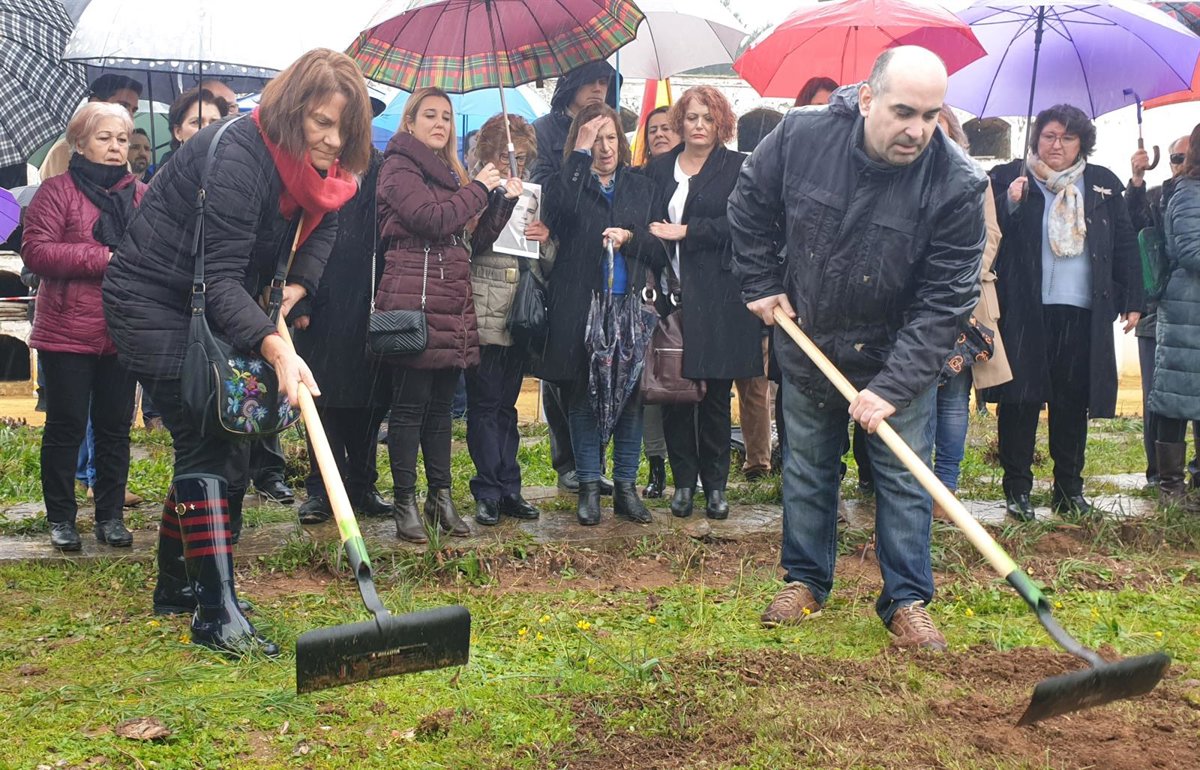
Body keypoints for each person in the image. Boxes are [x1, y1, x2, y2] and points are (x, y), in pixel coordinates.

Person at [103, 48, 373, 655]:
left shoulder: (317, 173)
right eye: (322, 123)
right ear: (292, 110)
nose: (333, 140)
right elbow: (223, 278)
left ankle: (181, 585)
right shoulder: (239, 156)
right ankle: (215, 612)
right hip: (151, 299)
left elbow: (325, 225)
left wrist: (293, 289)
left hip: (207, 301)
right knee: (211, 439)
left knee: (220, 437)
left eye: (344, 128)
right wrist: (276, 348)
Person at [730, 47, 987, 650]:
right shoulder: (802, 136)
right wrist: (761, 282)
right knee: (808, 467)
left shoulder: (957, 184)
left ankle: (907, 599)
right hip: (810, 338)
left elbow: (946, 300)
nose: (917, 130)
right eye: (904, 112)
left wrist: (892, 388)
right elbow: (749, 203)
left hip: (900, 352)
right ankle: (805, 580)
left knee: (903, 477)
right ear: (868, 99)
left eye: (931, 115)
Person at [984, 105, 1142, 521]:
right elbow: (984, 230)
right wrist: (1009, 201)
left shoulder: (1102, 184)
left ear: (1081, 144)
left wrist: (1133, 299)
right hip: (1025, 311)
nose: (1057, 145)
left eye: (1068, 138)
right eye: (1049, 136)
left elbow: (1124, 243)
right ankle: (1017, 490)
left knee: (1072, 403)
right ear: (1036, 139)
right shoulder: (1010, 177)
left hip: (1081, 313)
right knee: (1020, 401)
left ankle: (1069, 490)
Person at [376, 87, 517, 543]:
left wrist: (502, 202)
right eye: (430, 115)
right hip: (414, 299)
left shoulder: (450, 172)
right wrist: (479, 188)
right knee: (409, 408)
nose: (440, 123)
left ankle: (440, 498)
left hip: (450, 297)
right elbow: (433, 220)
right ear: (410, 122)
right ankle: (405, 501)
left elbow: (470, 240)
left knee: (440, 409)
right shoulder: (399, 167)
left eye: (446, 117)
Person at [24, 102, 147, 551]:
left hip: (122, 330)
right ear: (79, 142)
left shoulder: (141, 195)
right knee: (66, 427)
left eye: (122, 139)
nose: (116, 147)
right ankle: (61, 518)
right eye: (104, 138)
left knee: (115, 428)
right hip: (66, 332)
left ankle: (110, 516)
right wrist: (104, 258)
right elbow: (36, 252)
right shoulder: (56, 192)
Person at [537, 103, 662, 526]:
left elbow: (661, 248)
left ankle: (626, 487)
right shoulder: (568, 181)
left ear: (621, 142)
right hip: (581, 307)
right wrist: (578, 155)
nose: (604, 147)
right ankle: (589, 486)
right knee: (582, 396)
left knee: (630, 399)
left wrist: (631, 238)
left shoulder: (641, 186)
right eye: (594, 139)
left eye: (611, 137)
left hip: (630, 307)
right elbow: (556, 211)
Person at [644, 86, 759, 519]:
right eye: (691, 117)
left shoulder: (737, 166)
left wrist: (689, 231)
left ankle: (715, 487)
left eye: (707, 118)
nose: (698, 126)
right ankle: (683, 484)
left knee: (714, 396)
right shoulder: (659, 168)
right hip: (671, 296)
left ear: (721, 124)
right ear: (680, 121)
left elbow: (744, 223)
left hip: (720, 296)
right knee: (674, 392)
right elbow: (643, 218)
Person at [531, 60, 619, 494]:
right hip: (558, 260)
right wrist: (580, 153)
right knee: (561, 367)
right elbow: (549, 195)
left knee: (599, 366)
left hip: (601, 263)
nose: (599, 88)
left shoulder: (609, 123)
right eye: (591, 81)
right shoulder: (544, 130)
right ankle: (566, 459)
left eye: (605, 81)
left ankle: (591, 461)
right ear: (571, 83)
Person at [292, 145, 392, 524]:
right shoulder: (315, 166)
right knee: (322, 400)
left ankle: (363, 484)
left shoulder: (384, 169)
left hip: (372, 300)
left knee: (370, 401)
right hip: (321, 301)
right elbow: (295, 235)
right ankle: (321, 490)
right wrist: (299, 301)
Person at [466, 114, 554, 526]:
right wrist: (498, 200)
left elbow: (547, 261)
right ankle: (487, 489)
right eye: (504, 155)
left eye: (519, 156)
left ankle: (510, 487)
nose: (512, 163)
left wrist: (545, 239)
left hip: (522, 310)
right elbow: (470, 243)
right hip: (485, 305)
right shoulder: (476, 189)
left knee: (507, 405)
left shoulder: (534, 193)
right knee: (485, 404)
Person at [927, 106, 1010, 518]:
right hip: (915, 305)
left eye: (941, 130)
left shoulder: (975, 178)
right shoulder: (902, 174)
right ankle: (914, 484)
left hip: (964, 301)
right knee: (916, 396)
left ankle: (946, 487)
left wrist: (961, 277)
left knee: (953, 398)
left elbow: (990, 233)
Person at [1127, 134, 1198, 489]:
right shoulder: (1166, 194)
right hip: (1165, 310)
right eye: (1175, 157)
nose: (1179, 163)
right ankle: (1162, 476)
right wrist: (1137, 180)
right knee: (1164, 399)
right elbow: (1133, 226)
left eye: (1184, 156)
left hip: (1184, 309)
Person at [1149, 122, 1200, 510]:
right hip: (1187, 308)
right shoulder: (1187, 191)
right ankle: (1170, 487)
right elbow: (1189, 251)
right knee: (1175, 397)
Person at [636, 105, 682, 498]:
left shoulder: (693, 179)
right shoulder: (639, 179)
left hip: (689, 295)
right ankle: (655, 464)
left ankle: (688, 464)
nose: (660, 134)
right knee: (651, 382)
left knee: (685, 383)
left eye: (668, 128)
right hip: (651, 294)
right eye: (653, 129)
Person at [41, 74, 142, 180]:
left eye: (133, 110)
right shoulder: (65, 151)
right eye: (123, 106)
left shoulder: (123, 161)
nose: (130, 116)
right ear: (95, 103)